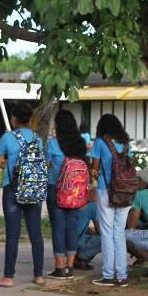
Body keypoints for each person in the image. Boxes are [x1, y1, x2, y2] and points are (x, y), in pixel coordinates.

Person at [0, 103, 45, 287]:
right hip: (34, 189)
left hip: (12, 188)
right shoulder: (38, 139)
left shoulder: (8, 137)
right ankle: (39, 275)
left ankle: (8, 276)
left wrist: (9, 162)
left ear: (14, 119)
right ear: (29, 119)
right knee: (35, 233)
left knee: (12, 234)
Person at [45, 110, 89, 279]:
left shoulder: (52, 144)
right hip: (75, 191)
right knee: (71, 227)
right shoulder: (80, 142)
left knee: (58, 228)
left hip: (55, 189)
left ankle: (59, 267)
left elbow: (46, 165)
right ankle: (70, 267)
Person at [90, 114, 132, 287]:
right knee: (119, 233)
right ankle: (122, 276)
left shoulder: (100, 143)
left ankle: (108, 275)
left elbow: (95, 168)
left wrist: (92, 175)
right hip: (126, 191)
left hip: (106, 190)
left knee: (107, 233)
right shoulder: (126, 143)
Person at [73, 188, 101, 270]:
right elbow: (100, 231)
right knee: (106, 238)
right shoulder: (92, 206)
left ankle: (78, 257)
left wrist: (91, 231)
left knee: (91, 235)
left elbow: (79, 224)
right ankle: (81, 258)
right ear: (89, 193)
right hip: (76, 243)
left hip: (67, 242)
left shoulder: (76, 202)